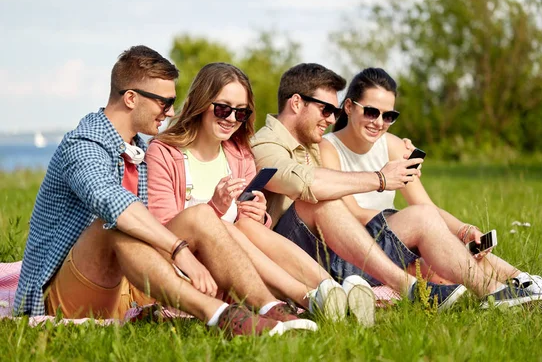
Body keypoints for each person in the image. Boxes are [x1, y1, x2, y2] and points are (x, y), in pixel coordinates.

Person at [13, 46, 317, 337]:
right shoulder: (84, 145)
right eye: (164, 102)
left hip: (134, 287)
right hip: (69, 293)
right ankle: (220, 315)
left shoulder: (141, 150)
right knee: (114, 225)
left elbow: (168, 221)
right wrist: (178, 250)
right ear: (131, 98)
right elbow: (112, 202)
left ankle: (269, 308)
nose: (171, 112)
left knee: (199, 215)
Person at [251, 63, 542, 310]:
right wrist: (381, 179)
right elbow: (304, 184)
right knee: (325, 201)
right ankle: (453, 289)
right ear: (296, 103)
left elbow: (422, 202)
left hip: (336, 244)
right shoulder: (269, 144)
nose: (331, 119)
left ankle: (510, 285)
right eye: (327, 110)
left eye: (389, 115)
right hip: (303, 251)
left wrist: (459, 228)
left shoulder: (313, 143)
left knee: (427, 222)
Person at [146, 62, 376, 326]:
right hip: (184, 265)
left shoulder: (239, 153)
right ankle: (308, 297)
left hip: (237, 267)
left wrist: (259, 215)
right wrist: (215, 208)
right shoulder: (164, 152)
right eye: (223, 108)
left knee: (245, 224)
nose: (231, 118)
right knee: (219, 222)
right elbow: (162, 228)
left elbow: (251, 229)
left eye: (241, 113)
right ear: (202, 103)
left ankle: (328, 290)